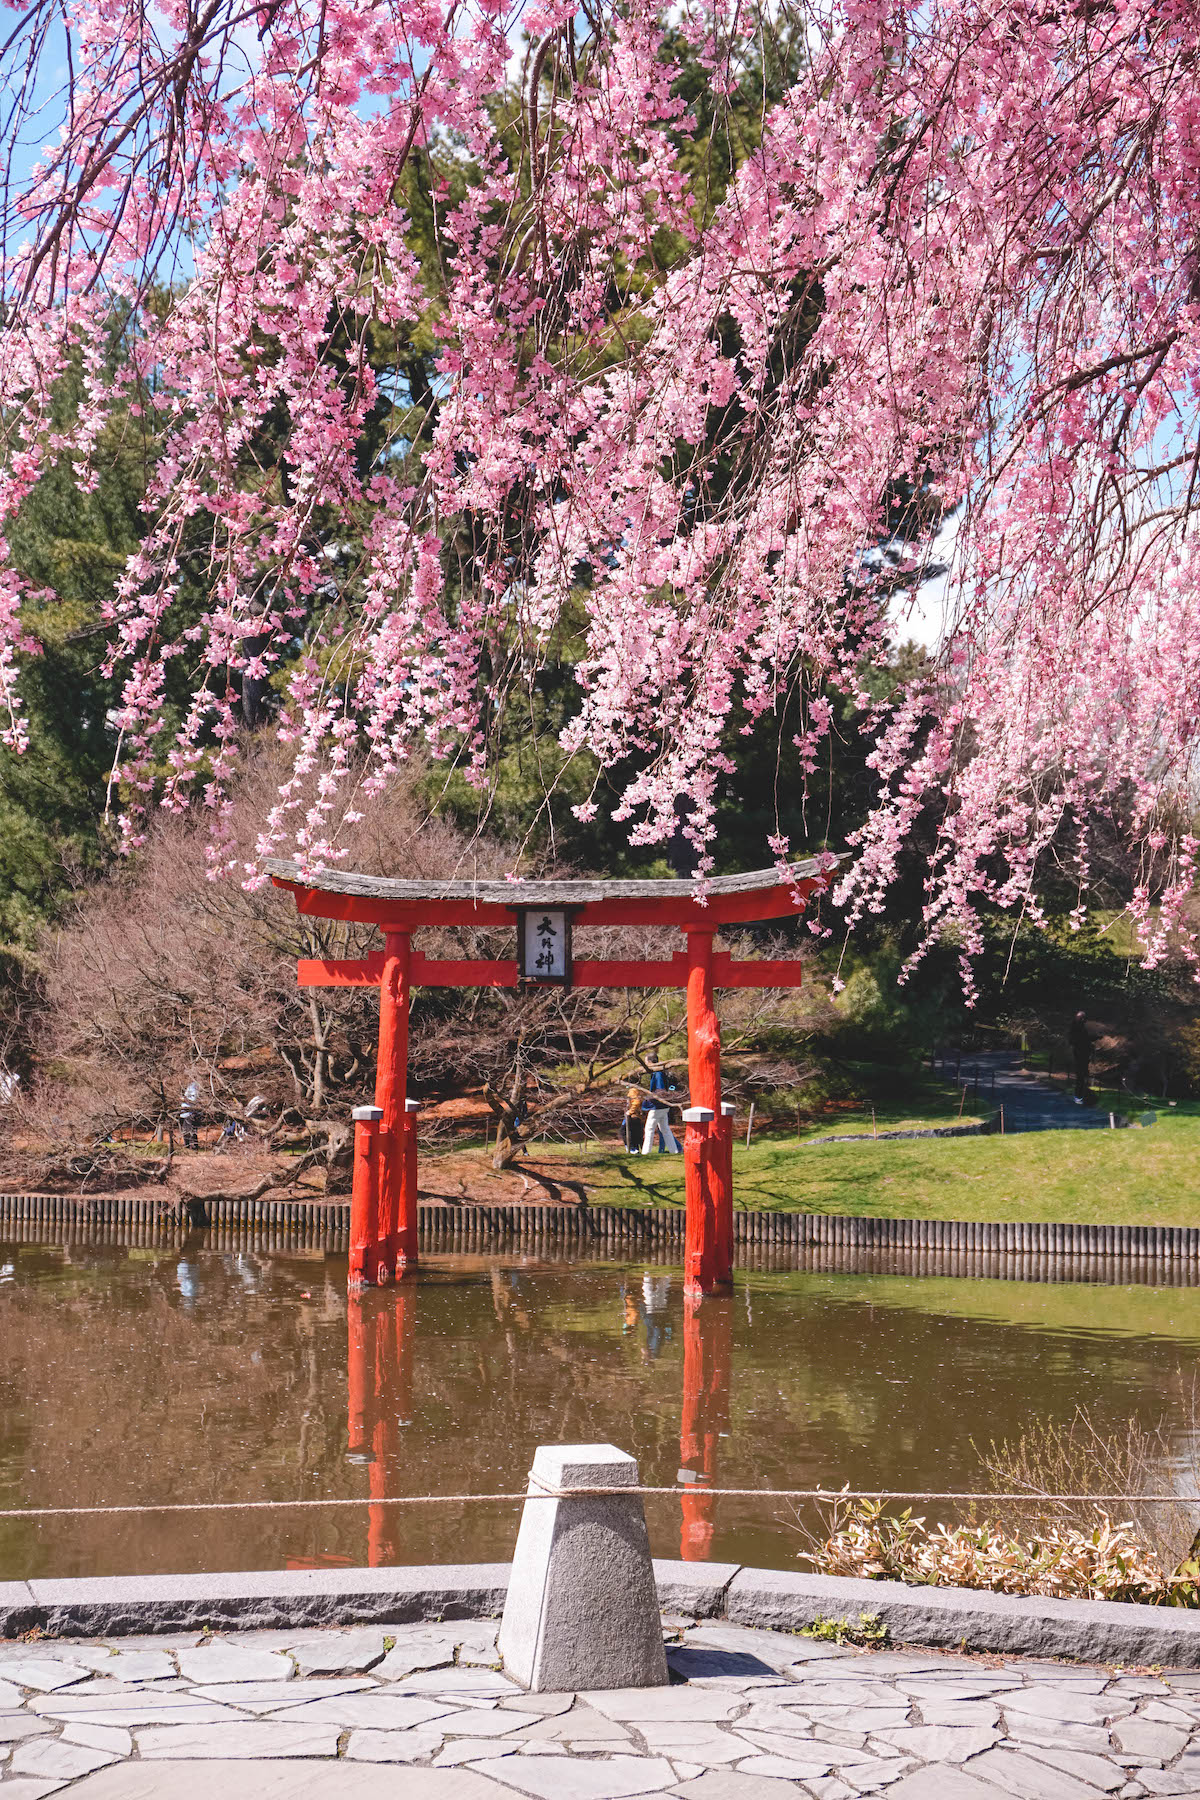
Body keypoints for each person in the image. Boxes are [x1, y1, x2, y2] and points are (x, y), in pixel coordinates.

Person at [641, 1057, 681, 1154]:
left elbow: (660, 1090)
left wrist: (651, 1099)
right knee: (665, 1129)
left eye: (646, 1062)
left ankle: (646, 1152)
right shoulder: (661, 1072)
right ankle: (674, 1150)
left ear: (650, 1062)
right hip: (664, 1106)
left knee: (649, 1129)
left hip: (657, 1106)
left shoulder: (657, 1073)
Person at [1069, 1010, 1092, 1104]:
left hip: (1082, 1055)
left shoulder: (1078, 1028)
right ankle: (1078, 1097)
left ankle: (1081, 1096)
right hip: (1080, 1055)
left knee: (1082, 1076)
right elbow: (1082, 1040)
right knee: (1081, 1077)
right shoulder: (1077, 1028)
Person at [621, 1086, 643, 1151]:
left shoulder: (633, 1090)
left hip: (633, 1116)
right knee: (634, 1132)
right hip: (634, 1116)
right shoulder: (636, 1090)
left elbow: (636, 1102)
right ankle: (634, 1148)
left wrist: (630, 1112)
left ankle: (632, 1148)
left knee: (625, 1131)